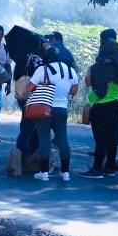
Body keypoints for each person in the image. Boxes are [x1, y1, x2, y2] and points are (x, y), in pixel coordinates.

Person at [80, 29, 118, 178]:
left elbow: (88, 82)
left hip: (100, 105)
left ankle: (96, 169)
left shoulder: (97, 68)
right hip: (116, 104)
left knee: (100, 139)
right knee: (111, 138)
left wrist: (91, 72)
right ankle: (110, 168)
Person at [26, 47, 79, 181]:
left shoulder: (42, 70)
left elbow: (30, 88)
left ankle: (44, 173)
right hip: (62, 109)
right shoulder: (70, 70)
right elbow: (74, 90)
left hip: (45, 107)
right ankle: (65, 172)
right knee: (63, 139)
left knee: (44, 139)